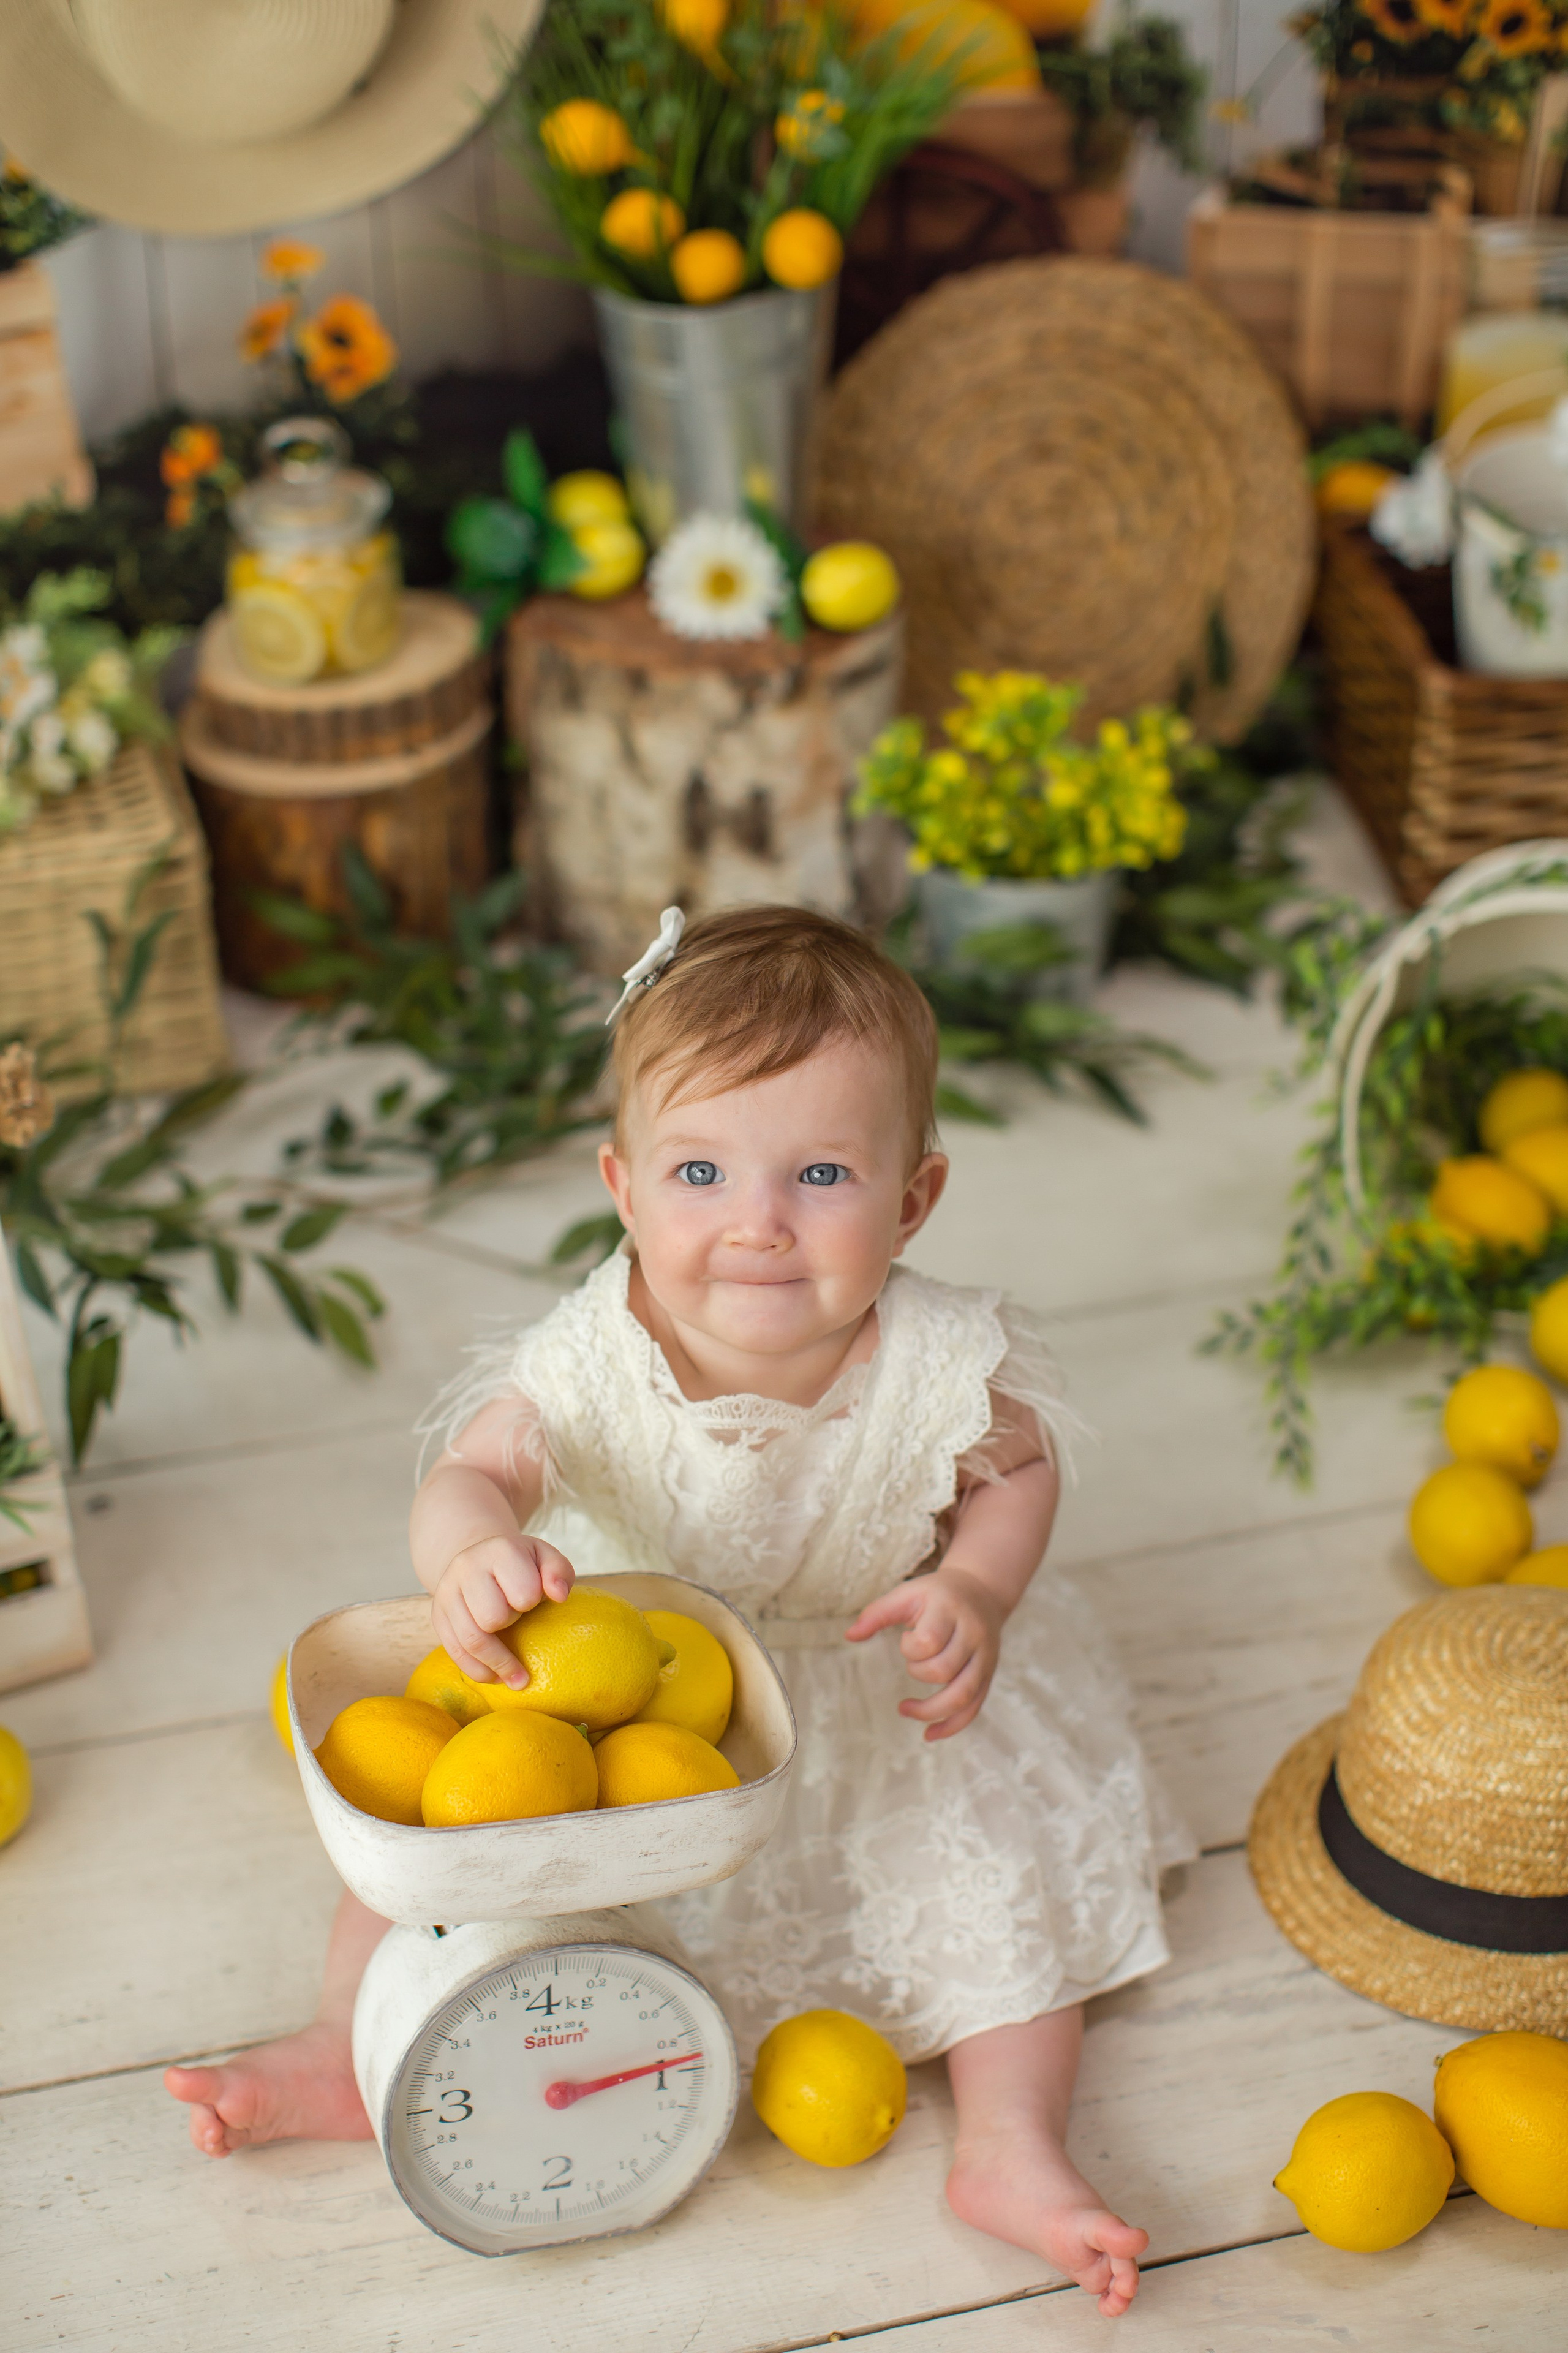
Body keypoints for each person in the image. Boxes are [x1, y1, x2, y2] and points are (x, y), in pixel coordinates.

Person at [167, 905, 1189, 2319]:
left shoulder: (941, 1354)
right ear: (624, 1188)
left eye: (820, 1172)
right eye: (700, 1170)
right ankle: (345, 2043)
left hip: (871, 1685)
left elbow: (1017, 1468)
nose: (756, 1222)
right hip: (632, 1703)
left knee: (988, 1898)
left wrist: (972, 1585)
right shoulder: (593, 1354)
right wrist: (468, 1553)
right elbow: (476, 1468)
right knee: (435, 1845)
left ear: (911, 1198)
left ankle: (1010, 2151)